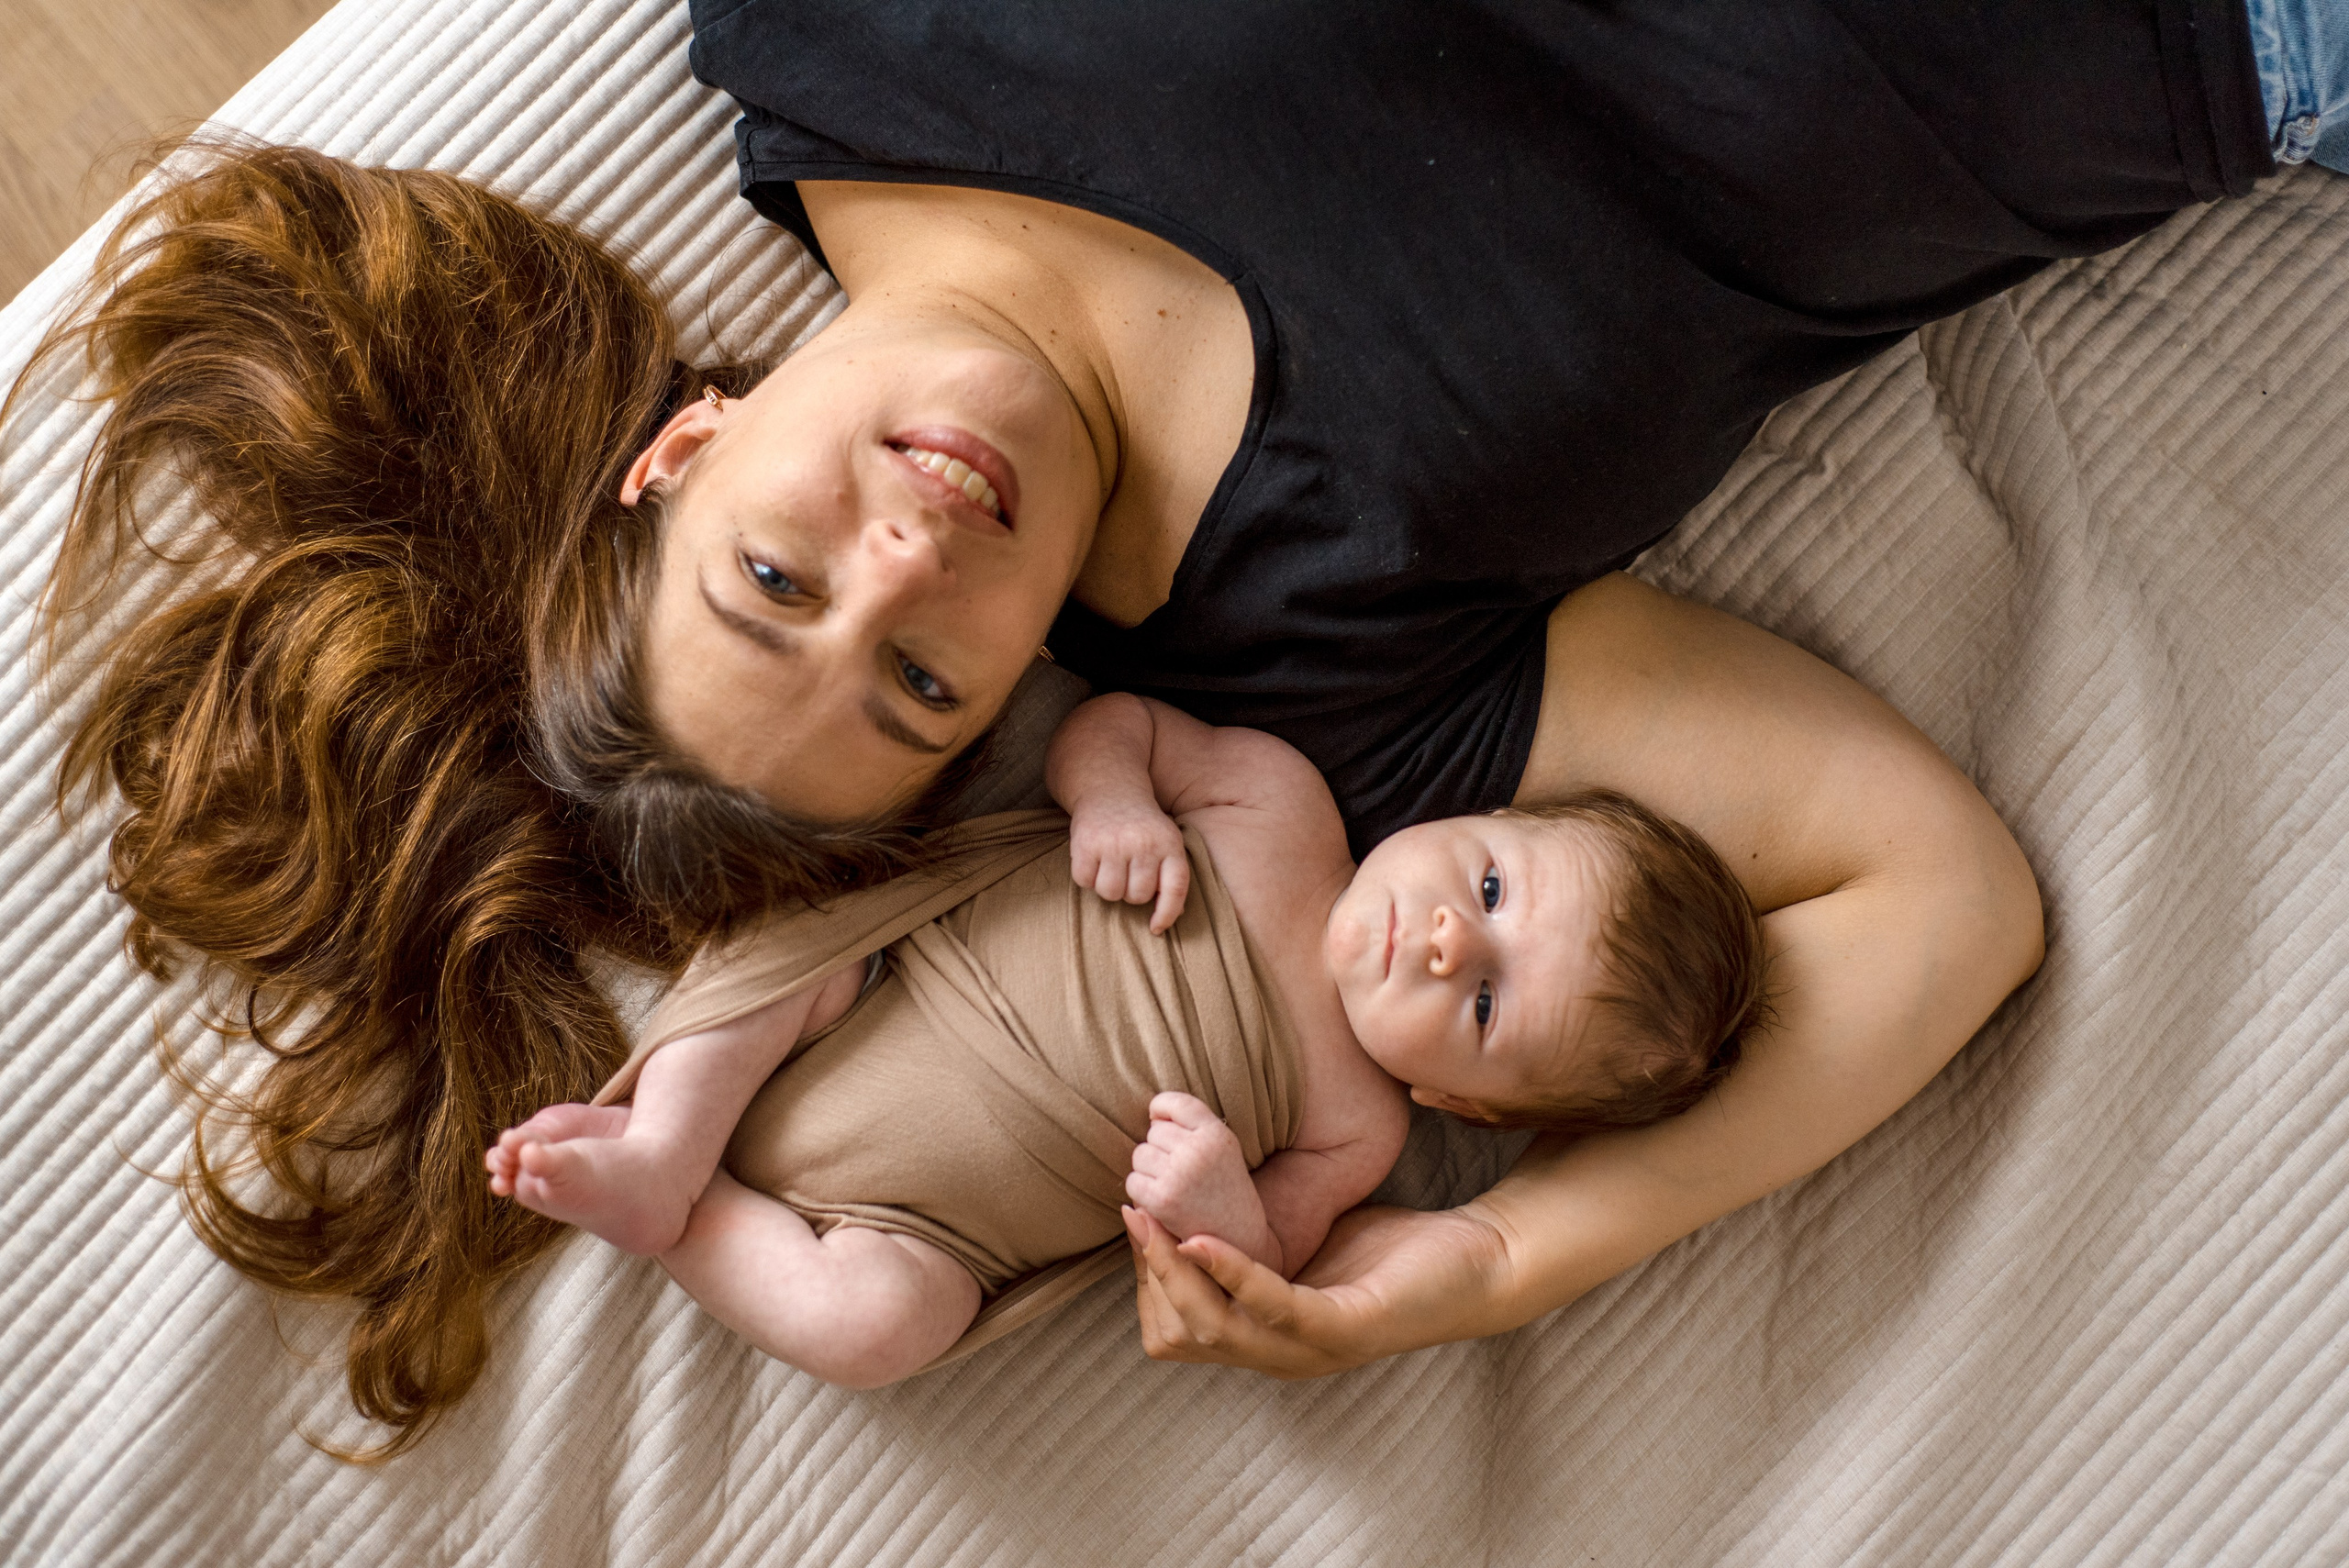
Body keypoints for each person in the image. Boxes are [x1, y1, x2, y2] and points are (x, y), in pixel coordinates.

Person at [39, 0, 2336, 1445]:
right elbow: (1935, 899)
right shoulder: (1309, 667)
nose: (909, 564)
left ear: (683, 448)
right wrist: (1489, 1267)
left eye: (775, 577)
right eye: (921, 684)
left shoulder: (824, 37)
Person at [481, 695, 1769, 1385]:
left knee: (882, 1331)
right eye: (1488, 887)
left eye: (1485, 1004)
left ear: (1465, 1107)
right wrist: (1112, 802)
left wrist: (1217, 1209)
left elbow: (1258, 1264)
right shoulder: (1280, 801)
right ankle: (666, 1144)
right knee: (793, 950)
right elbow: (1117, 726)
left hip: (926, 1228)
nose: (1445, 941)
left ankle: (688, 1216)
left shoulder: (1362, 1129)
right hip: (884, 989)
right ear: (1487, 815)